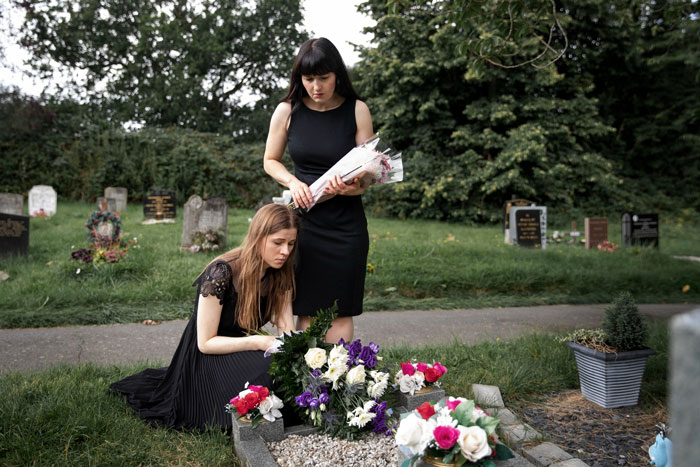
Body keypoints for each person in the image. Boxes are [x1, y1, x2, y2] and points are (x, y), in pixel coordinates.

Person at [110, 203, 299, 431]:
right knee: (266, 375)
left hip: (243, 348)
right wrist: (260, 341)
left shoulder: (281, 272)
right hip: (207, 355)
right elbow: (205, 343)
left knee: (289, 370)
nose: (285, 252)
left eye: (291, 244)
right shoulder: (221, 272)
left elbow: (287, 331)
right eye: (278, 243)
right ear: (258, 237)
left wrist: (297, 354)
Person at [263, 37, 374, 344]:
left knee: (341, 310)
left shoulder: (357, 110)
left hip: (346, 225)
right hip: (305, 225)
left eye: (323, 78)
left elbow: (369, 174)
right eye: (308, 79)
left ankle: (336, 382)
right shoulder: (287, 111)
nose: (316, 86)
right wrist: (292, 182)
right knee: (308, 308)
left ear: (337, 74)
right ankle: (307, 383)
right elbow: (270, 161)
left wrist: (352, 188)